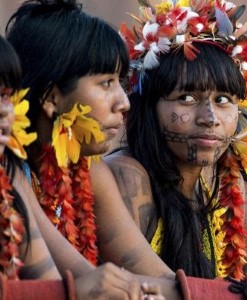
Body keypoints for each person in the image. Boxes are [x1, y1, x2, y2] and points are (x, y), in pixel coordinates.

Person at [105, 0, 247, 299]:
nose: (209, 119)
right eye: (186, 98)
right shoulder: (125, 178)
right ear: (149, 107)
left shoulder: (237, 192)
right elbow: (154, 290)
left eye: (223, 100)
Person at [0, 34, 152, 300]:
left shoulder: (12, 171)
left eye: (5, 96)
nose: (124, 102)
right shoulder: (14, 170)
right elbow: (66, 285)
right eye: (106, 83)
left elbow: (60, 279)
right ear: (51, 98)